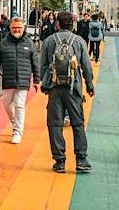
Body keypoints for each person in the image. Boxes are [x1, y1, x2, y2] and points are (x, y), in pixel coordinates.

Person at [39, 11, 95, 174]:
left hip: (55, 88)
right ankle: (81, 159)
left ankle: (60, 161)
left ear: (57, 24)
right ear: (72, 24)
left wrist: (45, 84)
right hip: (74, 88)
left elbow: (43, 64)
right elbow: (86, 65)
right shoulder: (79, 41)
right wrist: (89, 86)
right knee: (77, 123)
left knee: (55, 123)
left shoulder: (49, 41)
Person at [0, 18, 38, 144]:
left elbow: (35, 62)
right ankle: (15, 121)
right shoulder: (4, 43)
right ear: (10, 28)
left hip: (23, 79)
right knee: (6, 104)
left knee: (19, 105)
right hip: (8, 79)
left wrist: (37, 79)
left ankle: (17, 132)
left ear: (23, 28)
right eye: (14, 28)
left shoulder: (29, 43)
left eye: (19, 28)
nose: (17, 30)